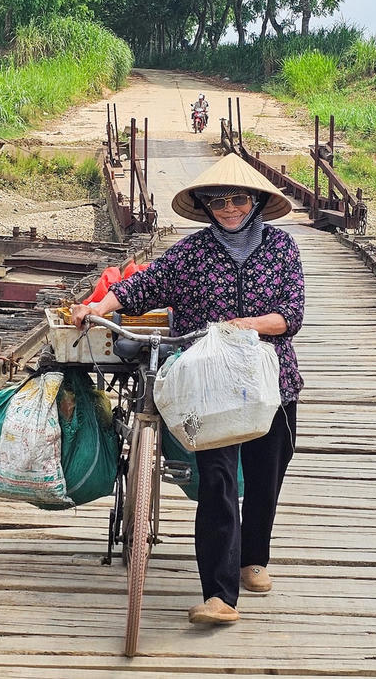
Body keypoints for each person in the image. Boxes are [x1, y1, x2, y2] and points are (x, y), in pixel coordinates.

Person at [70, 153, 305, 625]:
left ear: (256, 201)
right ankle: (220, 595)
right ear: (205, 205)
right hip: (208, 386)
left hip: (269, 380)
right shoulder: (190, 253)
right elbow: (143, 286)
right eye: (218, 201)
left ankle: (253, 558)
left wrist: (247, 325)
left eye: (238, 199)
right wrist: (92, 304)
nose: (229, 208)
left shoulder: (282, 247)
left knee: (265, 475)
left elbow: (291, 315)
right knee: (218, 479)